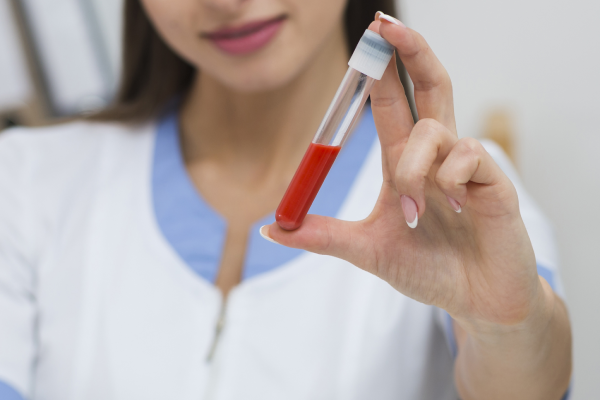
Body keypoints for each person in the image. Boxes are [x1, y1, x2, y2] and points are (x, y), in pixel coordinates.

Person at [0, 0, 572, 399]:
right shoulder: (27, 180)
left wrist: (508, 326)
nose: (228, 1)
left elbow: (526, 386)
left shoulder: (459, 195)